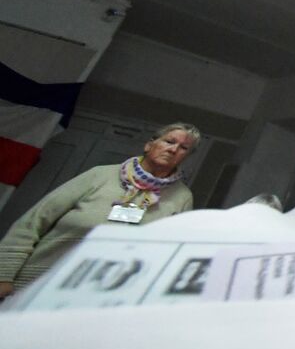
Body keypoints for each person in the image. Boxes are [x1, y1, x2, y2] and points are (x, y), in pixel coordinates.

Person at [0, 123, 198, 298]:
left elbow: (167, 254)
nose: (173, 149)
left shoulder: (181, 197)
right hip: (35, 282)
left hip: (99, 297)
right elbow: (32, 223)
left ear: (186, 157)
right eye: (169, 141)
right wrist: (3, 275)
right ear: (149, 145)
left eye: (183, 148)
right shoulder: (100, 175)